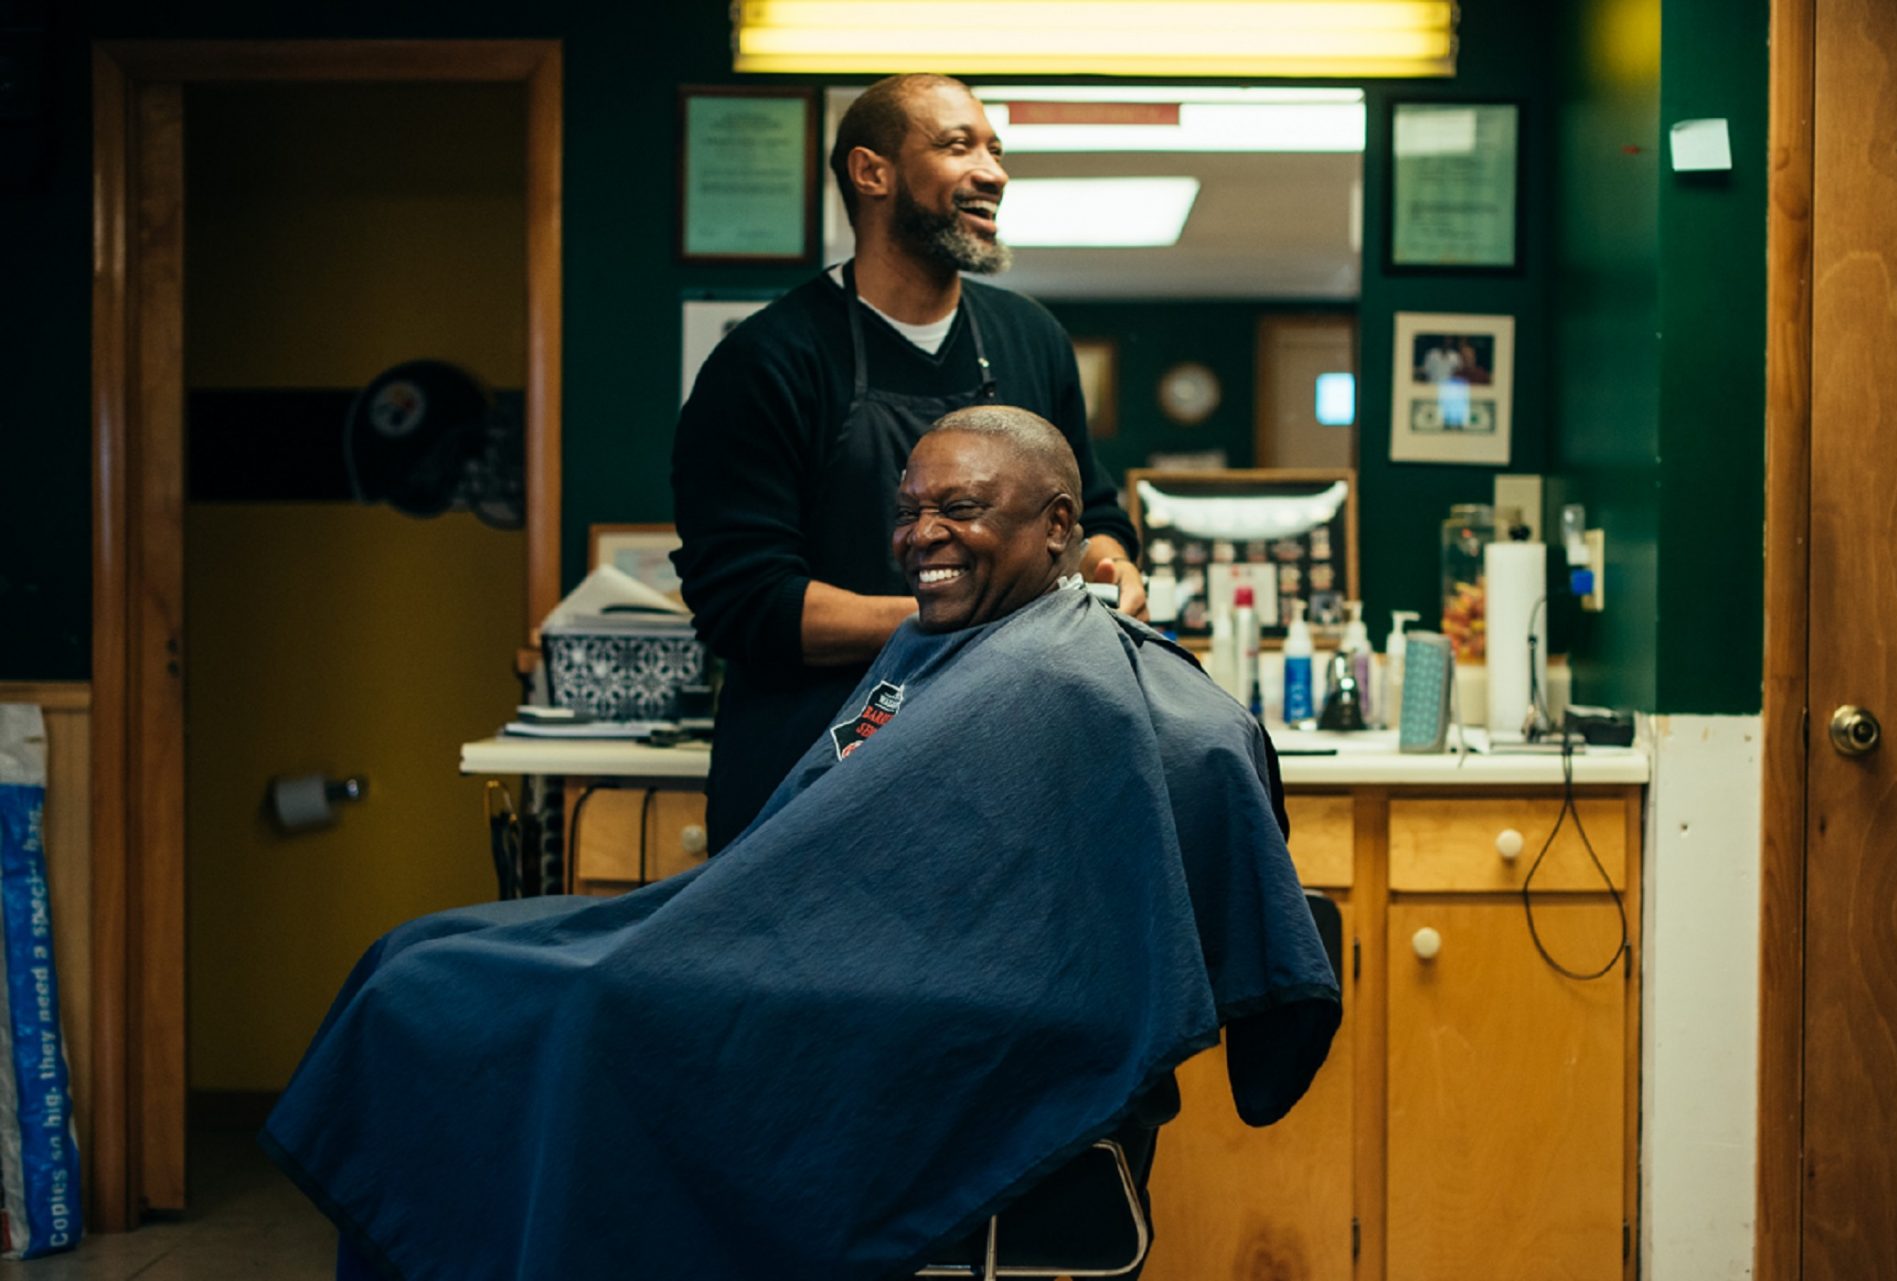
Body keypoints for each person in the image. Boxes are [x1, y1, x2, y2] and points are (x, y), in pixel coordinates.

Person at [267, 407, 1338, 1281]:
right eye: (909, 508)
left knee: (466, 1000)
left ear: (1061, 526)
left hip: (878, 1003)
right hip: (787, 948)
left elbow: (1183, 793)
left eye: (960, 508)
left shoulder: (1066, 675)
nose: (921, 533)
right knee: (410, 961)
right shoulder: (945, 648)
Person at [671, 72, 1147, 853]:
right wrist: (978, 618)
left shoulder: (1031, 339)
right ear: (872, 172)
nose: (993, 170)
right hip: (813, 774)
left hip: (1008, 767)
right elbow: (748, 600)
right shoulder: (768, 361)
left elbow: (1090, 514)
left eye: (995, 149)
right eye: (959, 145)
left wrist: (1107, 566)